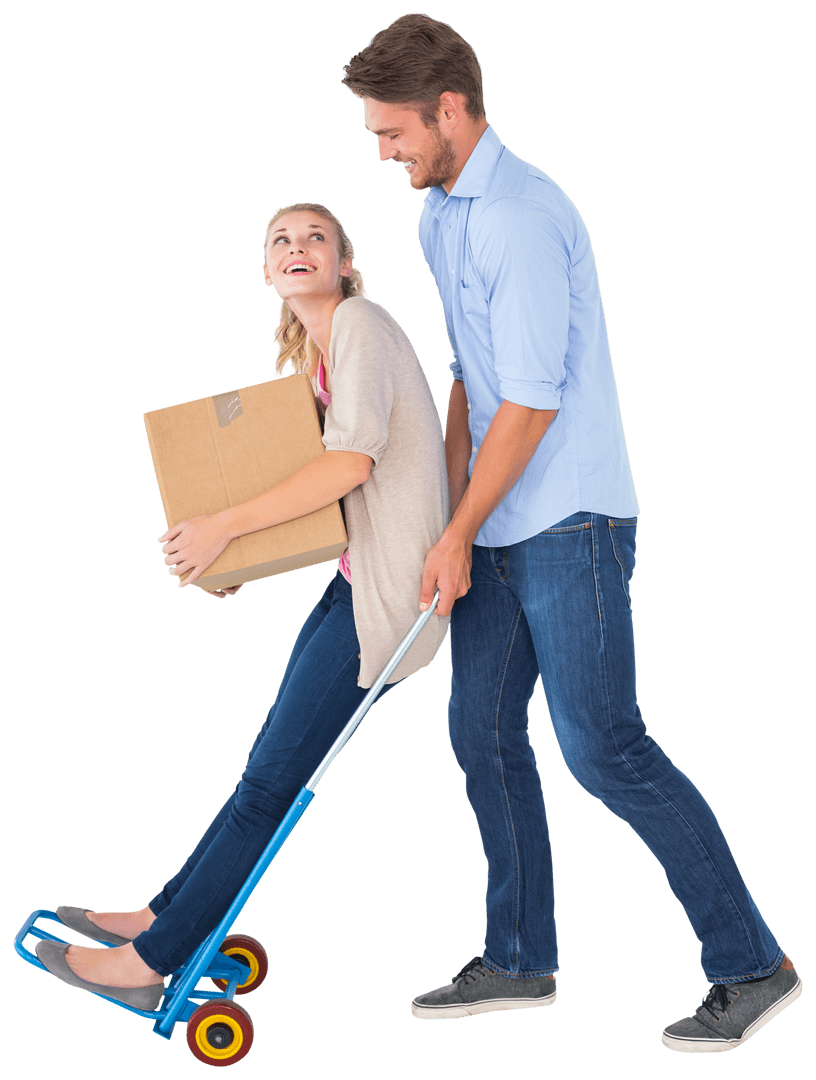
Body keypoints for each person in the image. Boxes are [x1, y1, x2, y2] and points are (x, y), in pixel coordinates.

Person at [342, 15, 802, 1053]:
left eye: (393, 131)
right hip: (495, 523)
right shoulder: (440, 219)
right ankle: (518, 959)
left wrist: (457, 530)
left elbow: (534, 403)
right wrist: (447, 519)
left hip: (571, 521)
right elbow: (471, 378)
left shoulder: (519, 215)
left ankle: (752, 964)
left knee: (603, 746)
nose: (384, 150)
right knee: (481, 733)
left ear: (448, 110)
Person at [35, 202, 450, 1009]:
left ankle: (150, 965)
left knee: (270, 787)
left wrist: (223, 527)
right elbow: (314, 495)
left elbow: (350, 467)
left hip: (391, 601)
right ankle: (161, 913)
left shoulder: (362, 326)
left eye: (314, 239)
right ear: (266, 272)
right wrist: (238, 557)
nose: (298, 249)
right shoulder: (316, 356)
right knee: (260, 768)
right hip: (354, 577)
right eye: (281, 242)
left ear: (343, 262)